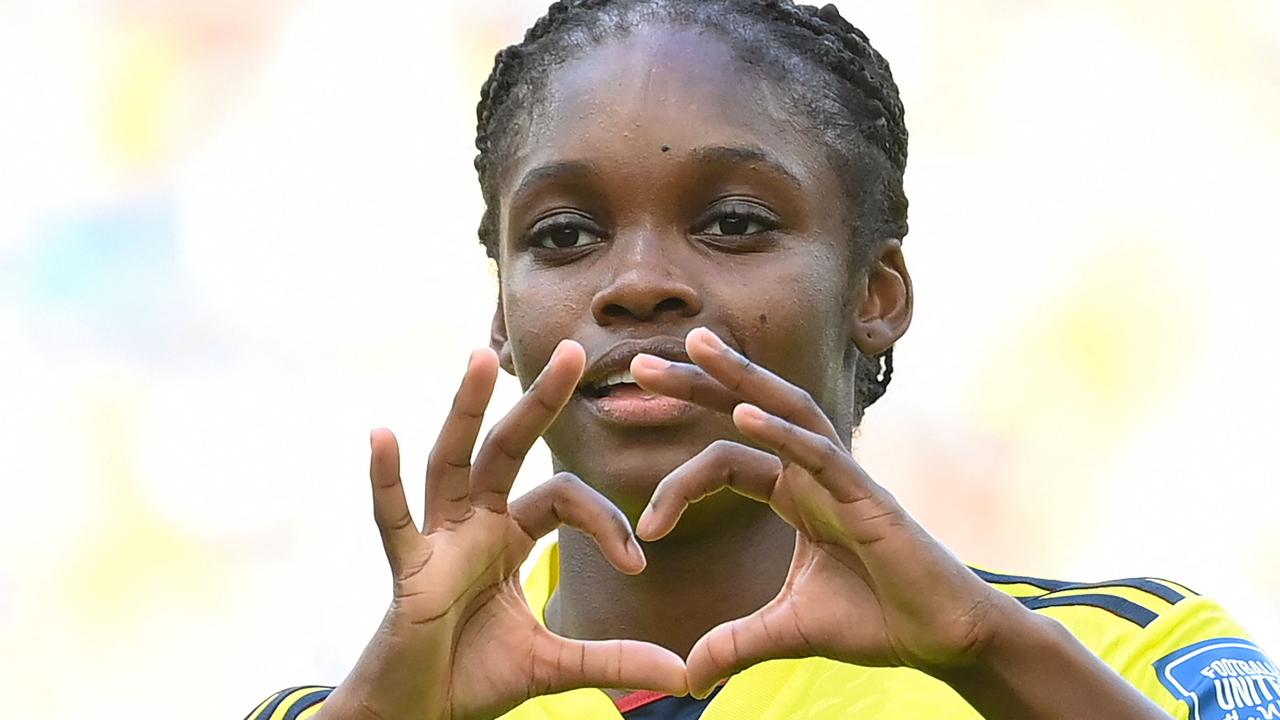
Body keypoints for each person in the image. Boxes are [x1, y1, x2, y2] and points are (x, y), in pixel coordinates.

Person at [246, 1, 1274, 718]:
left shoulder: (1130, 659)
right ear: (503, 315)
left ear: (875, 295)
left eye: (733, 222)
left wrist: (985, 654)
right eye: (563, 236)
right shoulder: (354, 709)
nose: (636, 283)